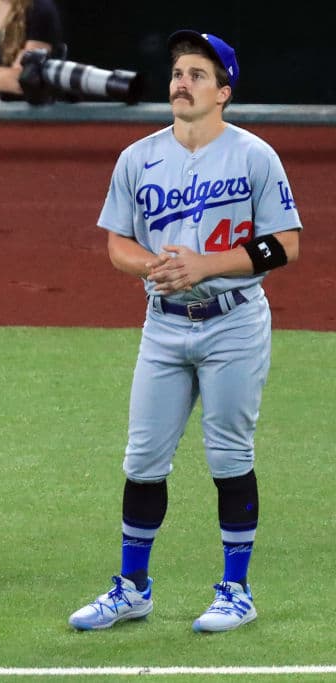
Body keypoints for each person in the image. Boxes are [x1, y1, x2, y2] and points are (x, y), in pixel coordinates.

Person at [68, 30, 301, 633]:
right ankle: (133, 588)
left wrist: (206, 266)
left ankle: (236, 591)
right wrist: (155, 266)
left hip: (234, 323)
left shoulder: (254, 156)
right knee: (143, 459)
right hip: (163, 326)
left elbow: (285, 244)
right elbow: (118, 243)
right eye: (177, 73)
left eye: (198, 74)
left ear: (223, 91)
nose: (182, 82)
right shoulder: (137, 157)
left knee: (229, 456)